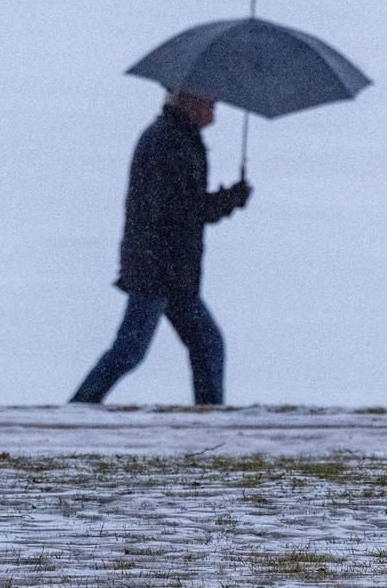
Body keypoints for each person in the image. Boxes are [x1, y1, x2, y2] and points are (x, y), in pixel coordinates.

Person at [70, 89, 252, 405]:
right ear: (189, 102)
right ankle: (78, 408)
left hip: (170, 269)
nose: (215, 110)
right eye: (210, 102)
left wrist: (227, 199)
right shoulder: (168, 142)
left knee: (205, 342)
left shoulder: (179, 138)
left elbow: (185, 207)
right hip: (157, 267)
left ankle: (209, 418)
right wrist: (229, 199)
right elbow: (183, 210)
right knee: (132, 349)